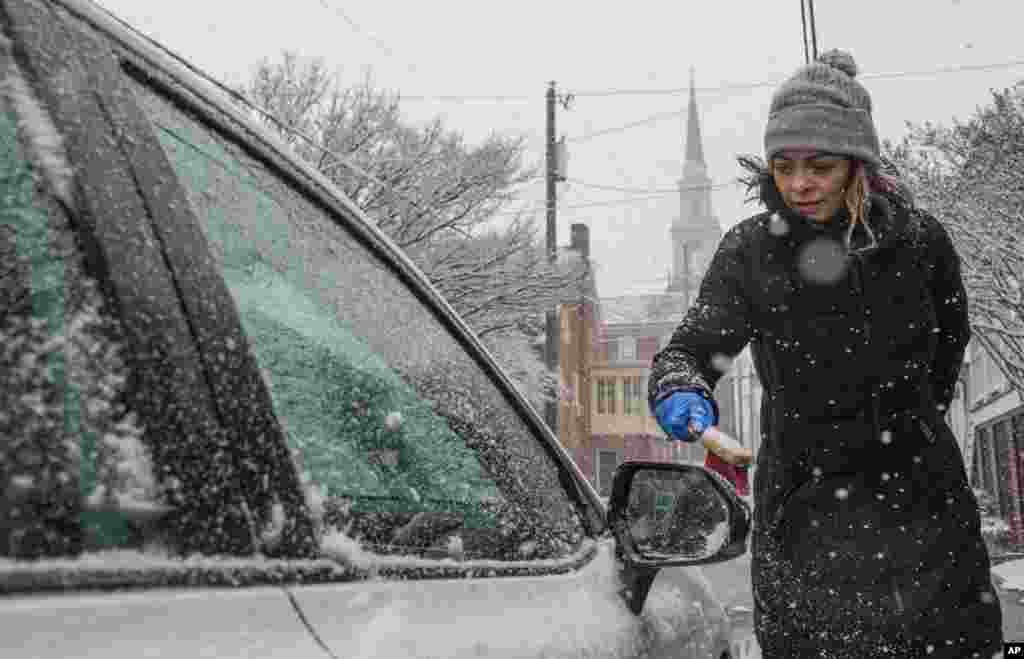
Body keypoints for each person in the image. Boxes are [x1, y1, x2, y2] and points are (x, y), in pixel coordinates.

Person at [648, 49, 1003, 658]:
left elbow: (949, 350)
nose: (799, 184)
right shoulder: (752, 251)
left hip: (925, 515)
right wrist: (682, 387)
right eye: (784, 166)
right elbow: (694, 347)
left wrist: (902, 428)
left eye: (819, 165)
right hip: (804, 519)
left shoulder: (921, 244)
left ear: (857, 164)